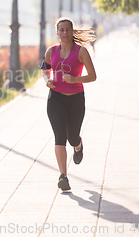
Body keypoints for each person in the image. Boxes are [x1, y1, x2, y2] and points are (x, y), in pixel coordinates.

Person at [40, 17, 97, 191]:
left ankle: (78, 146)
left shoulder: (81, 52)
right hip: (55, 98)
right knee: (59, 135)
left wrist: (74, 79)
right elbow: (44, 68)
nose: (64, 33)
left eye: (67, 30)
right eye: (61, 30)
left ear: (72, 32)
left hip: (75, 99)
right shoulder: (51, 51)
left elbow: (93, 76)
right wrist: (46, 80)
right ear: (57, 33)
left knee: (72, 136)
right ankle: (63, 176)